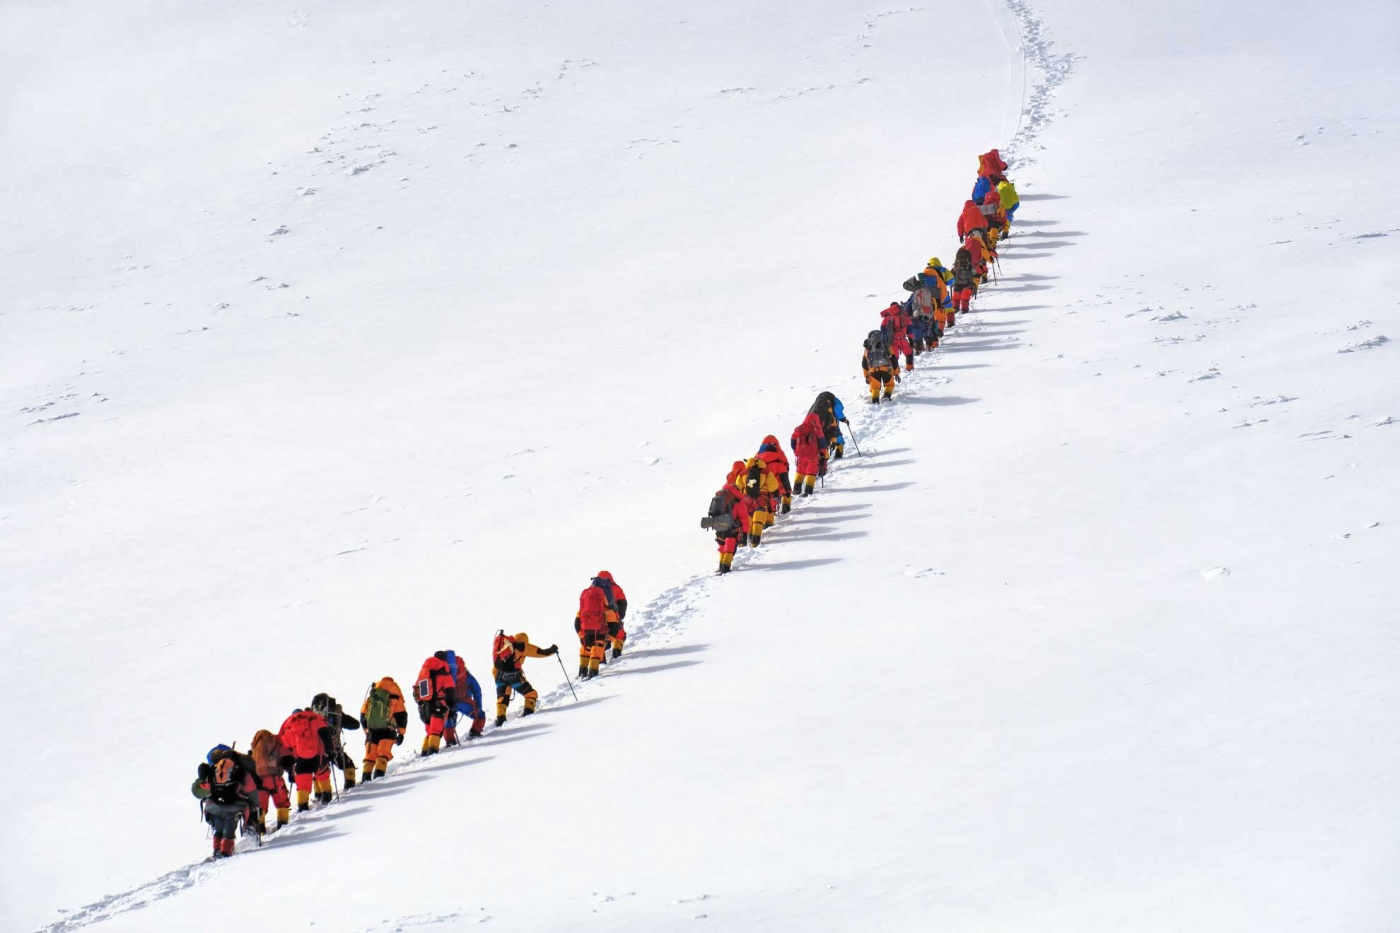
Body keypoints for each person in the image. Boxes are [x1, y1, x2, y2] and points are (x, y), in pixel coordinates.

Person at [191, 744, 262, 859]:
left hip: (214, 808)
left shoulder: (211, 771)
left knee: (218, 829)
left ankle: (217, 850)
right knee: (229, 830)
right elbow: (251, 789)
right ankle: (226, 851)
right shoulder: (240, 771)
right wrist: (254, 805)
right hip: (234, 807)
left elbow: (200, 791)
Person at [493, 631, 557, 726]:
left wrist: (499, 681)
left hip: (498, 675)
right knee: (531, 694)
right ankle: (528, 715)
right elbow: (540, 652)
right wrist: (553, 650)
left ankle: (500, 720)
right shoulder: (521, 646)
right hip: (514, 675)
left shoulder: (505, 648)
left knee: (503, 698)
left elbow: (495, 668)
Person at [277, 707, 333, 811]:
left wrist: (289, 769)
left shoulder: (289, 726)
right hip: (318, 754)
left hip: (300, 758)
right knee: (322, 775)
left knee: (303, 781)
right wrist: (330, 749)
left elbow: (285, 748)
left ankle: (302, 805)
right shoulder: (313, 719)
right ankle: (327, 796)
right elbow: (325, 733)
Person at [360, 676, 408, 781]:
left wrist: (366, 730)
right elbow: (402, 715)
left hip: (372, 730)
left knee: (369, 755)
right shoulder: (395, 697)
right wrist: (401, 733)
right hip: (388, 730)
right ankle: (378, 778)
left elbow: (363, 714)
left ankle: (365, 779)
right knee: (383, 753)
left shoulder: (372, 697)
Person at [310, 693, 360, 790]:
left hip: (316, 752)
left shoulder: (309, 717)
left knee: (319, 771)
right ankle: (350, 788)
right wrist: (340, 717)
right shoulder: (335, 714)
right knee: (348, 765)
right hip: (334, 749)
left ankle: (319, 794)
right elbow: (355, 724)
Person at [414, 651, 458, 757]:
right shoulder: (445, 674)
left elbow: (416, 691)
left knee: (429, 730)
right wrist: (451, 705)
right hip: (439, 705)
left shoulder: (424, 673)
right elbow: (450, 692)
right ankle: (433, 751)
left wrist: (421, 703)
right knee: (436, 730)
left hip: (425, 706)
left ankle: (424, 751)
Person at [249, 729, 290, 833]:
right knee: (282, 801)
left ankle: (260, 829)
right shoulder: (276, 741)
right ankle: (283, 825)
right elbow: (286, 756)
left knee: (260, 805)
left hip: (258, 780)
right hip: (274, 778)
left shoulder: (255, 746)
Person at [704, 483, 751, 573]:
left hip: (719, 527)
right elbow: (744, 519)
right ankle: (725, 567)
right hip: (731, 528)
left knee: (722, 546)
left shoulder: (720, 498)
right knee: (730, 547)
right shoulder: (738, 502)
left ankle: (721, 565)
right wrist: (744, 533)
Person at [443, 652, 485, 744]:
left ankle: (450, 741)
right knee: (480, 715)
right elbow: (477, 690)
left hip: (448, 702)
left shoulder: (445, 674)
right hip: (463, 701)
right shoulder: (466, 675)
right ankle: (474, 732)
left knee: (450, 717)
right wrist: (478, 706)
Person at [739, 455, 781, 545]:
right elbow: (773, 487)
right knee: (758, 517)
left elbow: (737, 489)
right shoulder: (766, 472)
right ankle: (756, 538)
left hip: (747, 499)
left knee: (749, 518)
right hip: (761, 498)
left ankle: (749, 536)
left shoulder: (743, 473)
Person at [575, 579, 610, 679]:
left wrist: (581, 635)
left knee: (585, 649)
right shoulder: (604, 606)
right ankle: (593, 672)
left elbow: (576, 622)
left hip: (585, 630)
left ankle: (582, 671)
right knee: (597, 648)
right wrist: (609, 639)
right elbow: (613, 623)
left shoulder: (583, 609)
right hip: (599, 630)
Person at [594, 570, 629, 658]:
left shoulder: (593, 589)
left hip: (597, 619)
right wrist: (620, 616)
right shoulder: (616, 588)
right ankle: (616, 651)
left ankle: (600, 659)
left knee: (599, 638)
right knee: (620, 634)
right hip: (613, 617)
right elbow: (623, 603)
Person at [790, 411, 828, 493]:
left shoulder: (798, 429)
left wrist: (796, 452)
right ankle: (808, 490)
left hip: (801, 456)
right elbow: (822, 444)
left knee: (800, 471)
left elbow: (792, 442)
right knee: (811, 472)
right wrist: (822, 455)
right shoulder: (817, 430)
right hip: (812, 456)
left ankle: (796, 489)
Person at [756, 435, 792, 514]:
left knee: (766, 502)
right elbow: (785, 479)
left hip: (762, 488)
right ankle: (786, 506)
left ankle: (766, 518)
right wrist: (788, 491)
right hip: (777, 488)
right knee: (778, 494)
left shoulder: (757, 461)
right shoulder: (779, 463)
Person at [810, 392, 848, 459]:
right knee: (835, 431)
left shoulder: (816, 404)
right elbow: (838, 409)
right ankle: (839, 448)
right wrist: (843, 419)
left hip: (815, 423)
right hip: (830, 420)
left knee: (821, 437)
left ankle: (822, 456)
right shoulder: (834, 400)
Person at [862, 329, 896, 403]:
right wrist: (896, 373)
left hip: (873, 370)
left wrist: (866, 376)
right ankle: (887, 396)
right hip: (886, 369)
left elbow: (864, 364)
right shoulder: (886, 346)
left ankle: (875, 400)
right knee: (889, 384)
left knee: (875, 387)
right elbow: (893, 359)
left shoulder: (867, 349)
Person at [881, 302, 914, 373]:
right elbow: (910, 329)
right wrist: (911, 340)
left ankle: (895, 371)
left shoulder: (887, 317)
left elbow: (883, 329)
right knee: (909, 352)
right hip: (902, 339)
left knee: (893, 356)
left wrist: (885, 340)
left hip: (892, 340)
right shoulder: (904, 315)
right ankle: (909, 367)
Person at [951, 247, 976, 324]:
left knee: (956, 295)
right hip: (967, 282)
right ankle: (964, 309)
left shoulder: (956, 265)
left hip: (957, 282)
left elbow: (951, 273)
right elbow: (974, 272)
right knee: (965, 295)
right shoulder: (968, 265)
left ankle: (955, 307)